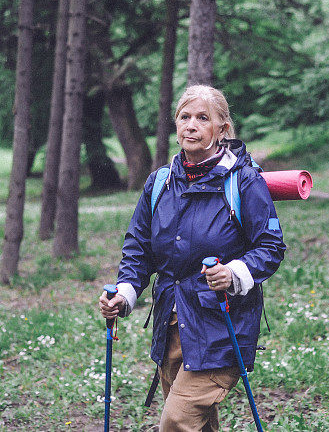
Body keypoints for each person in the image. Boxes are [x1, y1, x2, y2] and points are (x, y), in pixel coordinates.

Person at [99, 85, 286, 431]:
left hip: (221, 326)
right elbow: (139, 248)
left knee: (176, 420)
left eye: (203, 118)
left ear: (222, 130)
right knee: (197, 425)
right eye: (185, 117)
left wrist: (234, 273)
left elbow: (271, 247)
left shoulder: (243, 182)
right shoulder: (160, 183)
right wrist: (124, 294)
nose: (191, 125)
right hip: (171, 324)